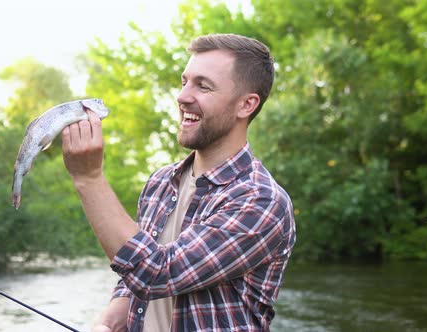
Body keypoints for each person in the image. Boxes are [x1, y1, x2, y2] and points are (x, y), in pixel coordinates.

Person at [61, 33, 296, 332]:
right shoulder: (160, 182)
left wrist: (89, 178)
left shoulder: (261, 201)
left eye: (203, 86)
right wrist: (110, 319)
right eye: (184, 81)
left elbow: (155, 272)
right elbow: (134, 278)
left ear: (246, 105)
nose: (182, 96)